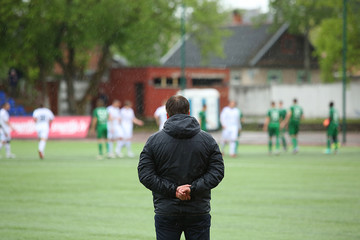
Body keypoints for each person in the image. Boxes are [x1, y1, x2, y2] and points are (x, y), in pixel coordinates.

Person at [138, 95, 224, 240]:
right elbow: (217, 171)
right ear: (188, 112)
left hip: (167, 210)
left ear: (167, 114)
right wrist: (192, 188)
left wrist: (173, 190)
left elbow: (145, 174)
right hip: (197, 209)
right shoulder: (207, 140)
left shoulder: (154, 141)